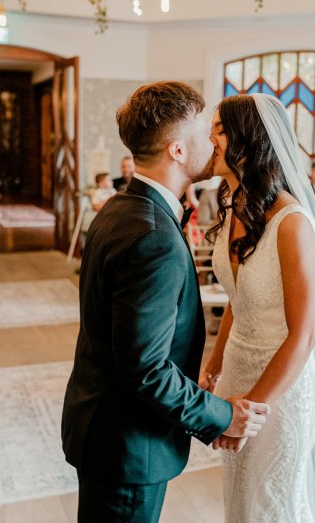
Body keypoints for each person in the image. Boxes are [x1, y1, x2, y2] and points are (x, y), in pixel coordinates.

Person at [61, 82, 268, 523]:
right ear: (176, 150)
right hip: (127, 447)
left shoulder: (119, 208)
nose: (214, 141)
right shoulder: (153, 234)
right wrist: (221, 415)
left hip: (107, 431)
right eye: (203, 131)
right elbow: (146, 367)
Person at [200, 94, 315, 522]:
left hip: (280, 389)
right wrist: (212, 369)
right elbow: (239, 299)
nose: (209, 138)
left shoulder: (293, 223)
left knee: (274, 506)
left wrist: (248, 412)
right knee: (241, 501)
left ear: (248, 141)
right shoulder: (235, 208)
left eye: (220, 129)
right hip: (236, 373)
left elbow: (303, 337)